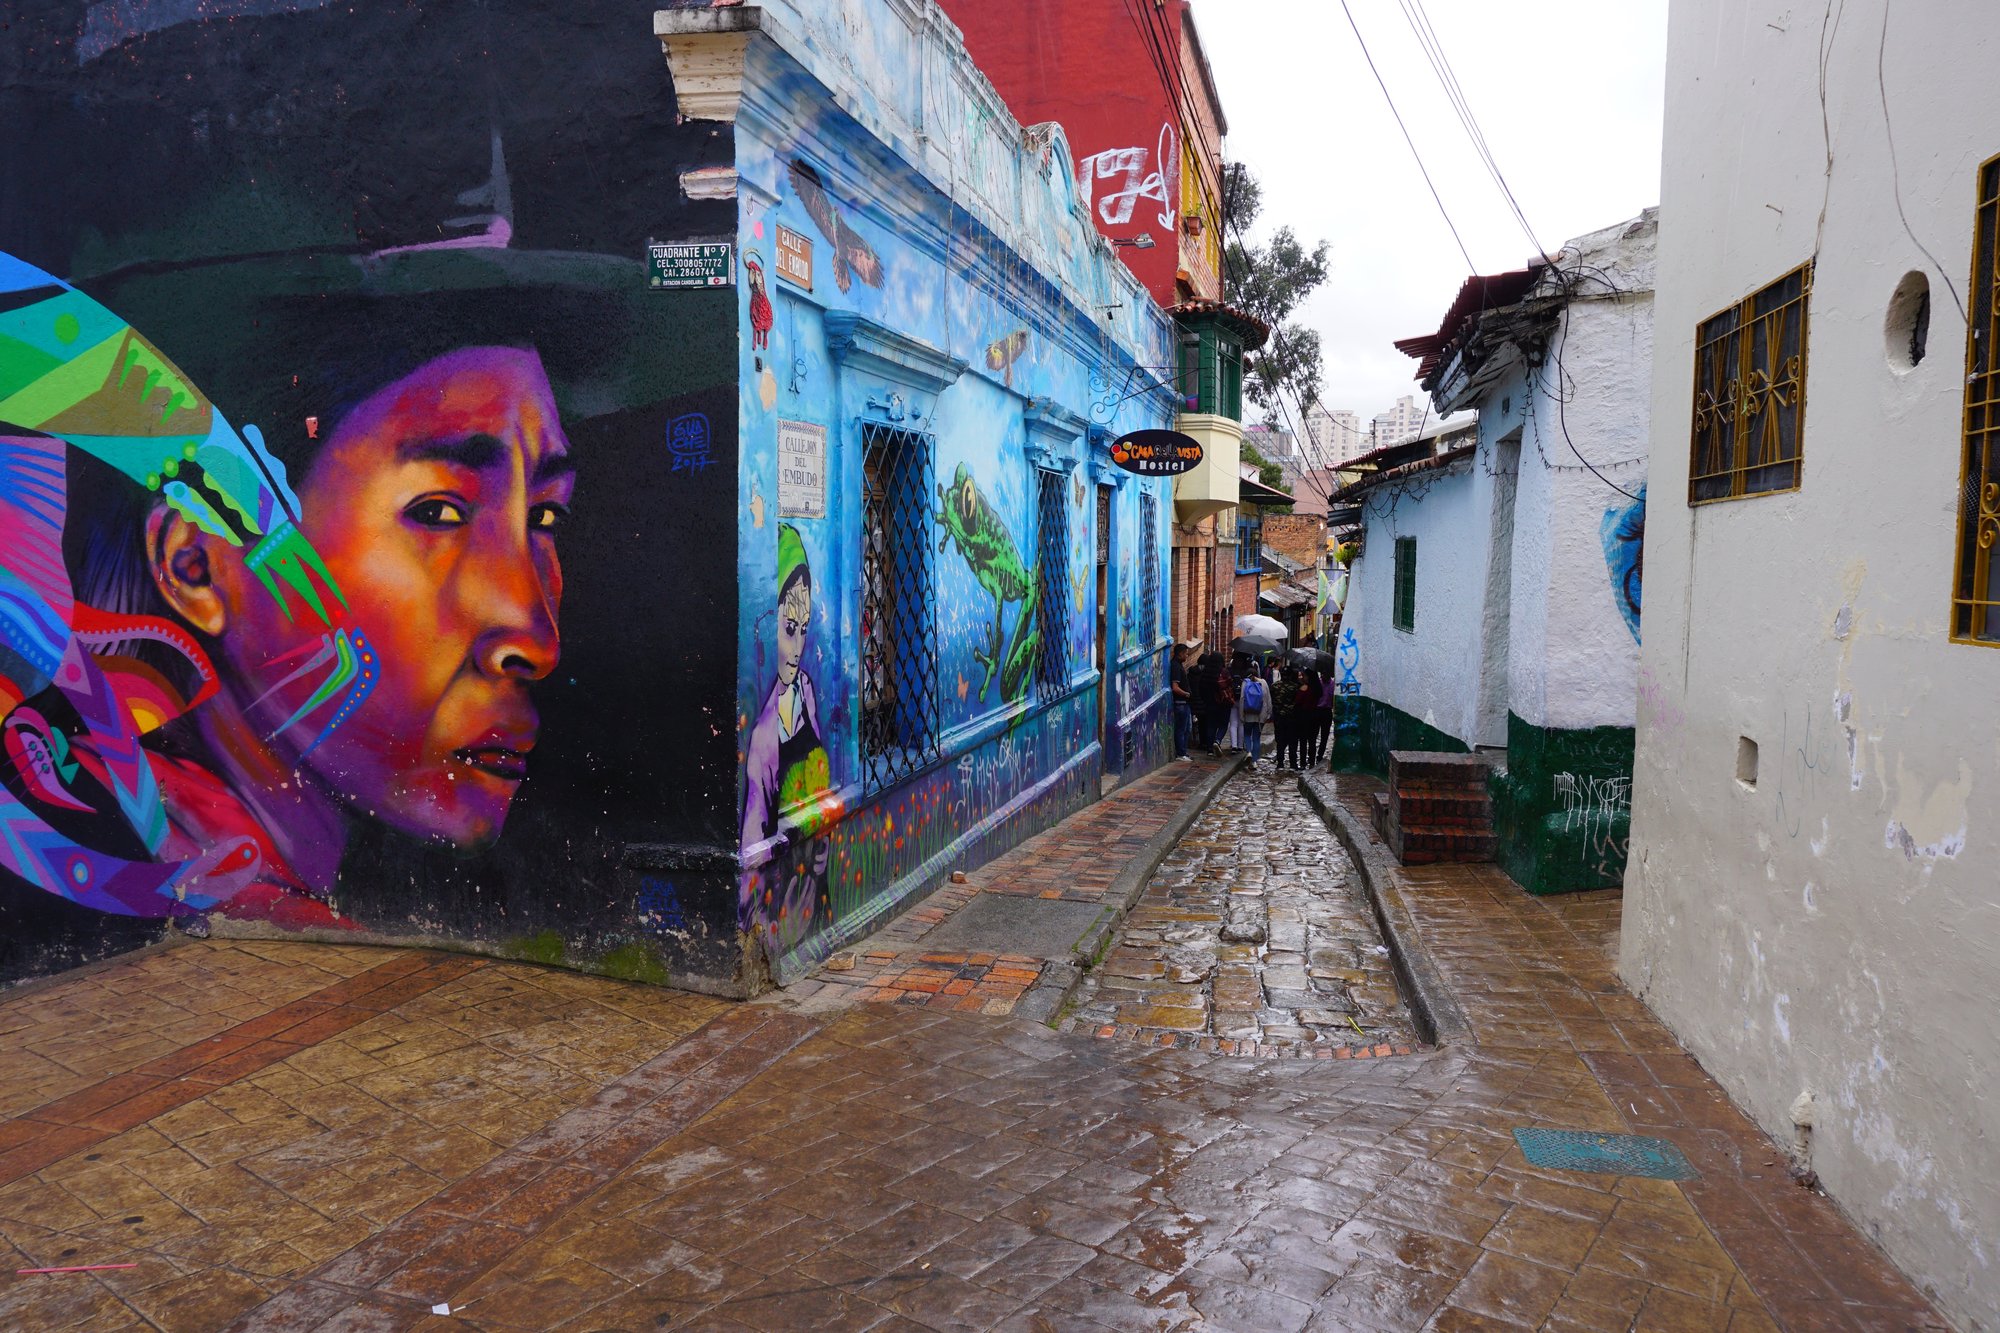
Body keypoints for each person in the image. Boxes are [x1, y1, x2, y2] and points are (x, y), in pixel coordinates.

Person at [741, 525, 834, 956]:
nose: (797, 646)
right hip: (786, 898)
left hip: (818, 878)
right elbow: (751, 846)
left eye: (804, 628)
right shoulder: (762, 738)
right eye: (788, 627)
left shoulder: (807, 692)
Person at [1235, 659, 1271, 766]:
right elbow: (1268, 699)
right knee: (1256, 738)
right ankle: (1254, 761)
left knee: (1247, 734)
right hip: (1261, 715)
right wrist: (1269, 713)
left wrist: (1241, 715)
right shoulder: (1264, 682)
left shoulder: (1245, 683)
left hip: (1248, 714)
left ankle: (1249, 752)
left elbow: (1242, 699)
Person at [1271, 664, 1303, 771]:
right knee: (1292, 741)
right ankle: (1293, 764)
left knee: (1280, 741)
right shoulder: (1295, 687)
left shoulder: (1274, 686)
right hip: (1291, 717)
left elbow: (1272, 700)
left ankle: (1280, 763)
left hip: (1279, 717)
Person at [1169, 641, 1194, 762]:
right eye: (1186, 654)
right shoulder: (1175, 667)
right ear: (1180, 654)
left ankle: (1183, 751)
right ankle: (1181, 753)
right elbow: (1175, 687)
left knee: (1186, 729)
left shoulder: (1178, 665)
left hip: (1185, 703)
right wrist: (1186, 694)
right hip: (1181, 703)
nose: (1187, 656)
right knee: (1181, 729)